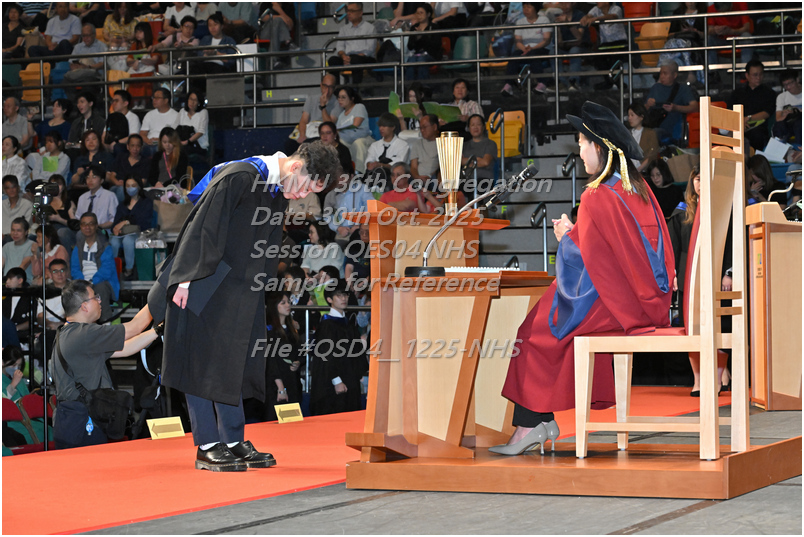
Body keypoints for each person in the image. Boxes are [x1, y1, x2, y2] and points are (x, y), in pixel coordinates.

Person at [489, 100, 673, 456]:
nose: (579, 152)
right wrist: (579, 234)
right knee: (542, 322)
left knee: (533, 331)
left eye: (582, 144)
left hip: (619, 304)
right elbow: (620, 253)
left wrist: (567, 238)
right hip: (647, 300)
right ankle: (538, 421)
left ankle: (530, 425)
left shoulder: (596, 194)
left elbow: (590, 261)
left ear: (599, 148)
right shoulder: (638, 188)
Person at [147, 141, 341, 472]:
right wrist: (185, 279)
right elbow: (202, 227)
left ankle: (233, 439)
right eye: (307, 187)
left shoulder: (276, 191)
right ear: (296, 167)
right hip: (203, 280)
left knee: (231, 362)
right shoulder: (240, 176)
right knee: (199, 362)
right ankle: (208, 445)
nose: (303, 195)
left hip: (238, 290)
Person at [52, 280, 157, 449]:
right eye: (95, 297)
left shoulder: (67, 333)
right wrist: (159, 293)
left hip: (71, 420)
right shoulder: (84, 334)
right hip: (82, 424)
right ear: (84, 306)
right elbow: (134, 327)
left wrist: (157, 331)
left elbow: (126, 348)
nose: (100, 301)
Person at [309, 281, 367, 416]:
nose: (343, 298)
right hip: (333, 384)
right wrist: (336, 380)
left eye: (345, 295)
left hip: (350, 380)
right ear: (329, 300)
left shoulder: (348, 324)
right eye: (339, 296)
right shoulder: (327, 325)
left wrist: (358, 374)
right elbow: (325, 356)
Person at [260, 291, 303, 421]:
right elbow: (270, 360)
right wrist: (280, 387)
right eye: (283, 303)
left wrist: (298, 362)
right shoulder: (269, 331)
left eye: (288, 302)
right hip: (276, 385)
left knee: (292, 423)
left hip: (291, 382)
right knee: (276, 422)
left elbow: (299, 352)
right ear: (274, 306)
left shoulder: (291, 330)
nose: (287, 305)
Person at [70, 211, 119, 322]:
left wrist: (92, 282)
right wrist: (83, 283)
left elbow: (106, 270)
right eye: (84, 224)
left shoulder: (105, 246)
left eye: (91, 224)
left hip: (101, 281)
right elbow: (74, 269)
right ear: (80, 227)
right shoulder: (77, 247)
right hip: (82, 281)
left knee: (100, 288)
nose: (87, 227)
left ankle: (105, 322)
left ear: (96, 226)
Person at [501, 3, 553, 96]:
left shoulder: (544, 20)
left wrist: (532, 48)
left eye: (529, 7)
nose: (526, 9)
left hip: (541, 48)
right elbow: (518, 41)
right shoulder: (520, 22)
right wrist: (525, 49)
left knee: (534, 55)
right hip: (525, 49)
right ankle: (508, 84)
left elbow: (546, 40)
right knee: (514, 56)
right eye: (524, 7)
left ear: (535, 8)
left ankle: (542, 83)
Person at [645, 60, 700, 144]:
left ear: (674, 75)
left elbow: (695, 107)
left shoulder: (683, 89)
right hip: (654, 126)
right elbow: (643, 109)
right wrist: (648, 104)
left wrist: (676, 108)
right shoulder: (655, 88)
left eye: (665, 73)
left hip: (674, 131)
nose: (662, 76)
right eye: (661, 73)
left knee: (654, 134)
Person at [110, 177, 153, 280]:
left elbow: (144, 222)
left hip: (140, 232)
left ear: (139, 187)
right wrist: (115, 228)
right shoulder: (122, 205)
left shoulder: (146, 202)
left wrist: (126, 222)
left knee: (128, 240)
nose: (130, 188)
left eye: (133, 185)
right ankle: (113, 269)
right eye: (128, 186)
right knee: (114, 241)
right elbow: (115, 223)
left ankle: (129, 269)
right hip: (122, 232)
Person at [729, 60, 777, 152]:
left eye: (761, 74)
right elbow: (731, 111)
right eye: (755, 75)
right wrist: (740, 122)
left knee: (757, 134)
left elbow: (767, 112)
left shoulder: (769, 93)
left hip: (758, 127)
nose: (758, 77)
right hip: (739, 125)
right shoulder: (737, 93)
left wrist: (747, 118)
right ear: (747, 75)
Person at [287, 74, 342, 155]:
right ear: (321, 85)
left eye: (330, 87)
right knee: (290, 144)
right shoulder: (311, 99)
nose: (327, 89)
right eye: (325, 86)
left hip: (323, 134)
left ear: (334, 88)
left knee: (313, 143)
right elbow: (303, 120)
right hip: (309, 130)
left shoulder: (337, 103)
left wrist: (323, 107)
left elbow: (329, 124)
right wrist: (302, 135)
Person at [327, 2, 377, 85]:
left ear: (360, 12)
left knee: (355, 60)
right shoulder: (344, 29)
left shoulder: (370, 28)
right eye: (348, 11)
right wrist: (344, 56)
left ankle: (355, 88)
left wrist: (353, 57)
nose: (349, 13)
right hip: (347, 57)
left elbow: (370, 49)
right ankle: (336, 88)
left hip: (365, 58)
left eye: (352, 11)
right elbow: (340, 47)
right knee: (333, 60)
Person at [581, 2, 628, 90]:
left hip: (619, 42)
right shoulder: (596, 9)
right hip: (605, 44)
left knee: (614, 59)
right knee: (597, 59)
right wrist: (585, 18)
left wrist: (596, 18)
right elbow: (589, 15)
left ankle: (616, 83)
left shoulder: (616, 8)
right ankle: (609, 81)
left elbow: (613, 16)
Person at [63, 23, 108, 99]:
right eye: (83, 36)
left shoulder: (102, 46)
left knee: (87, 80)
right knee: (66, 80)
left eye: (88, 35)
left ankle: (87, 102)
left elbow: (103, 63)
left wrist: (88, 67)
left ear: (94, 35)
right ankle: (75, 102)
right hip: (79, 73)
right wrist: (75, 66)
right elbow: (71, 62)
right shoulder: (78, 47)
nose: (85, 38)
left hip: (95, 75)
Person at [194, 13, 238, 91]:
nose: (212, 28)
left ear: (222, 26)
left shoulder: (229, 40)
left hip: (220, 68)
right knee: (194, 70)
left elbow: (231, 59)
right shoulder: (205, 39)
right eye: (210, 25)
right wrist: (206, 55)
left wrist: (215, 53)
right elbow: (199, 56)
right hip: (204, 66)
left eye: (215, 25)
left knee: (213, 70)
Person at [706, 2, 752, 68]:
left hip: (738, 38)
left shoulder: (741, 4)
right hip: (721, 38)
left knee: (747, 36)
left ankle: (745, 69)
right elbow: (709, 30)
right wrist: (715, 30)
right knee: (709, 39)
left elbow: (747, 28)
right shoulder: (711, 8)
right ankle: (712, 71)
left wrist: (732, 31)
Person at [556, 2, 589, 90]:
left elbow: (579, 37)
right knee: (553, 52)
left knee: (574, 50)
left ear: (573, 3)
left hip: (581, 46)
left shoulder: (580, 15)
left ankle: (574, 81)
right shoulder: (558, 17)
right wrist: (558, 27)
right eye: (561, 3)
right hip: (565, 46)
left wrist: (568, 23)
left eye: (566, 2)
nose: (564, 5)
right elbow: (559, 42)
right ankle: (562, 82)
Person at [461, 114, 497, 192]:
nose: (475, 127)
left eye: (478, 124)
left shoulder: (490, 143)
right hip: (467, 180)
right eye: (472, 125)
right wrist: (478, 159)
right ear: (469, 128)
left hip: (485, 180)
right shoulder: (464, 145)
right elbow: (460, 161)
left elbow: (485, 162)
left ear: (483, 126)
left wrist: (468, 162)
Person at [75, 165, 118, 230]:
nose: (90, 180)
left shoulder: (110, 196)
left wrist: (97, 227)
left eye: (94, 177)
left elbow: (113, 219)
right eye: (88, 177)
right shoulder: (82, 197)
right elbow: (78, 218)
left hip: (102, 230)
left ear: (101, 180)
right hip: (84, 230)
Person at [139, 88, 179, 157]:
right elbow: (142, 133)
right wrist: (148, 140)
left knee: (156, 149)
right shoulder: (149, 114)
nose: (154, 100)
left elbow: (174, 136)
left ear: (166, 100)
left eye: (157, 98)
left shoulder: (176, 115)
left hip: (165, 144)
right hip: (149, 143)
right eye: (153, 97)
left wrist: (159, 140)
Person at [404, 4, 440, 81]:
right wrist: (417, 38)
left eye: (421, 13)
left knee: (421, 60)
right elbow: (410, 46)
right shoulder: (414, 28)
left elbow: (436, 45)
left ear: (428, 14)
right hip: (417, 55)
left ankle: (423, 85)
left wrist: (422, 37)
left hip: (431, 55)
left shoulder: (434, 27)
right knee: (410, 61)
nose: (419, 15)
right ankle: (410, 85)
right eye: (417, 13)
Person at [35, 253, 70, 331]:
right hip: (48, 328)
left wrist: (62, 325)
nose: (59, 274)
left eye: (62, 270)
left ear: (67, 272)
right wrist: (50, 324)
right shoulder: (43, 292)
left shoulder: (75, 290)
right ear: (50, 275)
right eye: (55, 271)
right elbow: (40, 317)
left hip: (68, 328)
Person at [44, 175, 77, 252]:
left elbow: (74, 225)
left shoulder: (69, 203)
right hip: (50, 230)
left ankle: (65, 258)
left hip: (66, 230)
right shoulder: (45, 202)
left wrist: (58, 219)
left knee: (61, 232)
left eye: (59, 184)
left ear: (63, 186)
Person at [627, 101, 659, 173]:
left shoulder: (650, 133)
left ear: (641, 117)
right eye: (628, 115)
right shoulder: (627, 134)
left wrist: (639, 169)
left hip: (644, 171)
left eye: (632, 115)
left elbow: (652, 155)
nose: (629, 118)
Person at [774, 69, 802, 144]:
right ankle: (779, 147)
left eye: (791, 83)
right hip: (789, 124)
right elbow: (778, 118)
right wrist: (785, 114)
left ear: (797, 80)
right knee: (778, 126)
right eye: (785, 85)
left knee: (799, 124)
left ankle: (799, 148)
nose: (788, 87)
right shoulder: (782, 97)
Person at [177, 91, 209, 156]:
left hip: (198, 146)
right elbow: (175, 126)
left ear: (199, 102)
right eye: (190, 99)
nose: (192, 102)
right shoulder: (182, 112)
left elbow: (201, 131)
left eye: (195, 100)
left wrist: (187, 141)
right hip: (182, 143)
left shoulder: (203, 112)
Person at [409, 114, 439, 180]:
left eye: (424, 127)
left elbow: (441, 167)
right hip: (418, 179)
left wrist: (429, 177)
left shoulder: (443, 143)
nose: (422, 130)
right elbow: (413, 167)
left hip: (435, 178)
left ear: (434, 127)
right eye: (420, 128)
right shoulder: (417, 143)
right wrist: (417, 177)